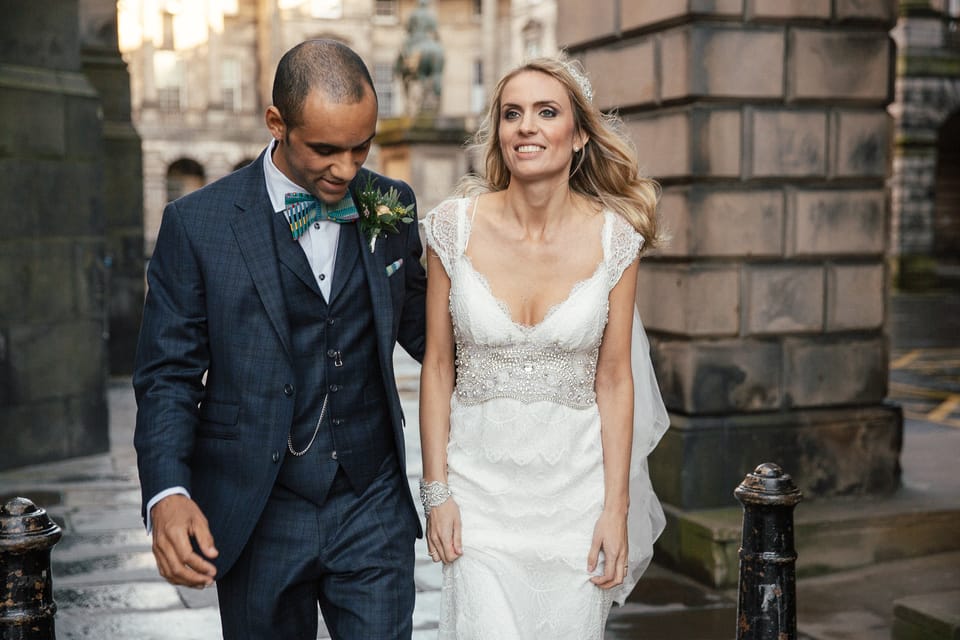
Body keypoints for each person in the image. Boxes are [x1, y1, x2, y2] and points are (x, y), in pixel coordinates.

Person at [132, 39, 426, 640]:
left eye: (361, 146)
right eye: (325, 149)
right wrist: (167, 491)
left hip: (371, 501)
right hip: (258, 507)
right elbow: (168, 376)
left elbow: (426, 329)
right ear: (276, 124)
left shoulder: (391, 204)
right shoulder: (197, 225)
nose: (348, 169)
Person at [418, 55, 670, 638]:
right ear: (499, 133)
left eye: (546, 112)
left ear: (578, 134)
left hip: (574, 503)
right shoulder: (450, 228)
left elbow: (614, 380)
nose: (526, 126)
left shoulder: (617, 240)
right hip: (477, 499)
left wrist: (616, 510)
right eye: (512, 114)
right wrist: (436, 492)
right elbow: (436, 367)